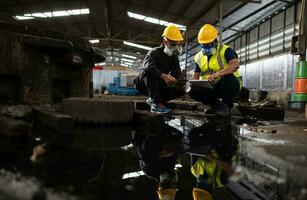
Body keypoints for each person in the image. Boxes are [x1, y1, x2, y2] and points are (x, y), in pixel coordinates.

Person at [189, 24, 240, 116]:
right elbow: (195, 76)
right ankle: (215, 106)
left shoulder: (226, 50)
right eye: (204, 45)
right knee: (192, 90)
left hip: (229, 86)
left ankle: (226, 106)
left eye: (209, 44)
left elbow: (234, 65)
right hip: (211, 87)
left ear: (215, 41)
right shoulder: (198, 56)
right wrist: (192, 84)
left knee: (228, 76)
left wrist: (218, 74)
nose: (206, 47)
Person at [134, 25, 185, 113]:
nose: (175, 48)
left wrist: (182, 83)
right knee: (150, 72)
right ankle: (156, 103)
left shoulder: (174, 57)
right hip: (143, 84)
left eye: (177, 45)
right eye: (173, 44)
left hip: (158, 85)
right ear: (165, 42)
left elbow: (177, 73)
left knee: (181, 89)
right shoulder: (154, 52)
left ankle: (154, 100)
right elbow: (149, 67)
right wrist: (164, 76)